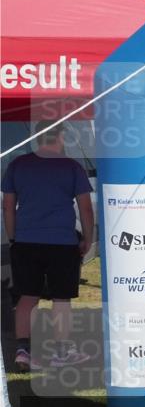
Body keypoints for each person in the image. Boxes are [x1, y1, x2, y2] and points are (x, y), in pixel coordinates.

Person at [2, 123, 94, 371]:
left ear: (36, 138)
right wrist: (88, 238)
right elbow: (85, 208)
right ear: (61, 136)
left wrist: (13, 238)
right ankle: (62, 353)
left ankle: (23, 351)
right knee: (61, 299)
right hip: (61, 242)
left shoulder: (17, 165)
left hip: (25, 242)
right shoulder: (72, 167)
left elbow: (8, 206)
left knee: (26, 298)